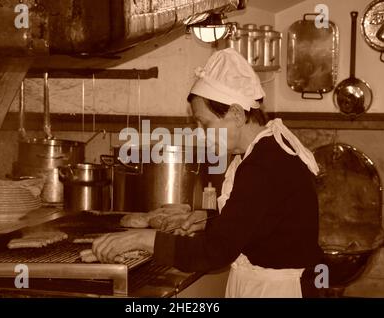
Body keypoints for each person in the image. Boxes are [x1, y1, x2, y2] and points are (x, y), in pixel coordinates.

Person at [92, 48, 323, 298]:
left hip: (278, 290)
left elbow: (215, 252)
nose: (202, 133)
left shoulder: (264, 164)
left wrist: (143, 239)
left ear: (236, 114)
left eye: (205, 123)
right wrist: (209, 217)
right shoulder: (265, 151)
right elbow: (261, 218)